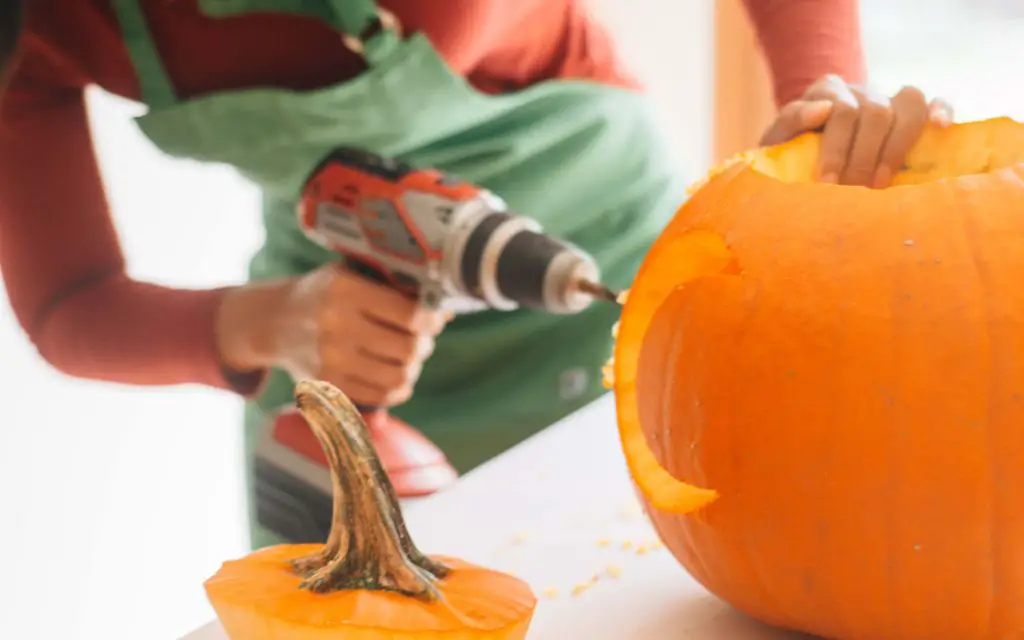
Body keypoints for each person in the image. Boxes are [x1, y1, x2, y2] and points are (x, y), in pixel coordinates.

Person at [0, 0, 950, 549]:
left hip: (611, 244)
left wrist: (820, 86)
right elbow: (65, 306)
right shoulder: (40, 24)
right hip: (332, 321)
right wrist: (271, 323)